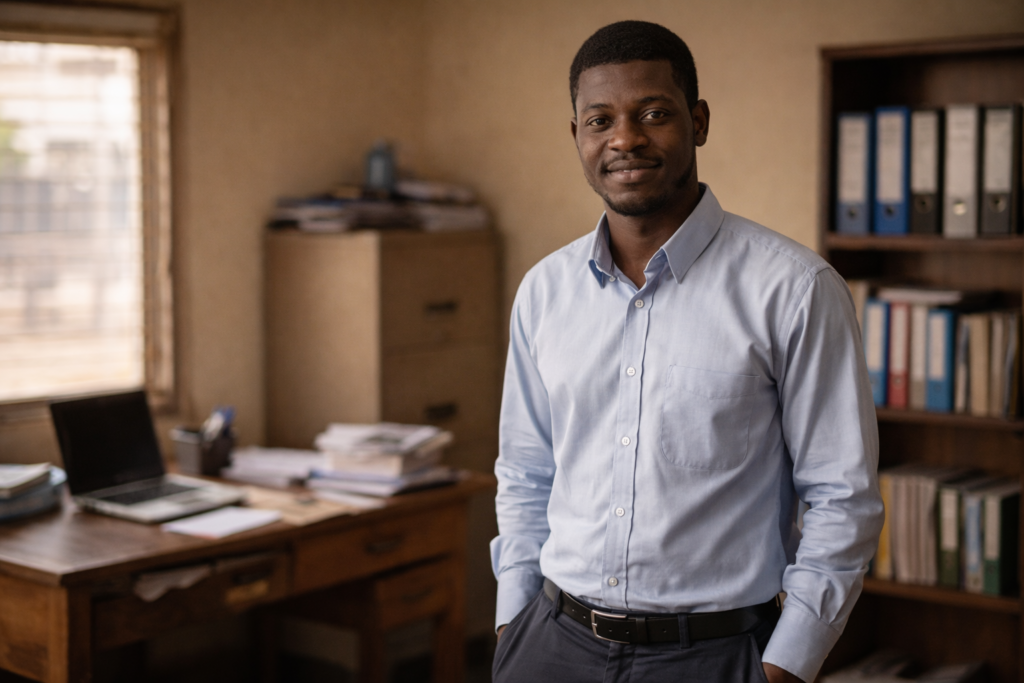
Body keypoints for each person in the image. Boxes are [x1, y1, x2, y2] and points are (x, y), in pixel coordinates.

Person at [490, 20, 884, 683]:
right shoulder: (544, 292)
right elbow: (526, 474)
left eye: (653, 113)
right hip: (550, 645)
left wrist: (787, 665)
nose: (625, 139)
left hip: (713, 654)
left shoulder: (794, 289)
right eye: (600, 120)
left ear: (698, 122)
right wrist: (512, 625)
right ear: (577, 136)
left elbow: (843, 499)